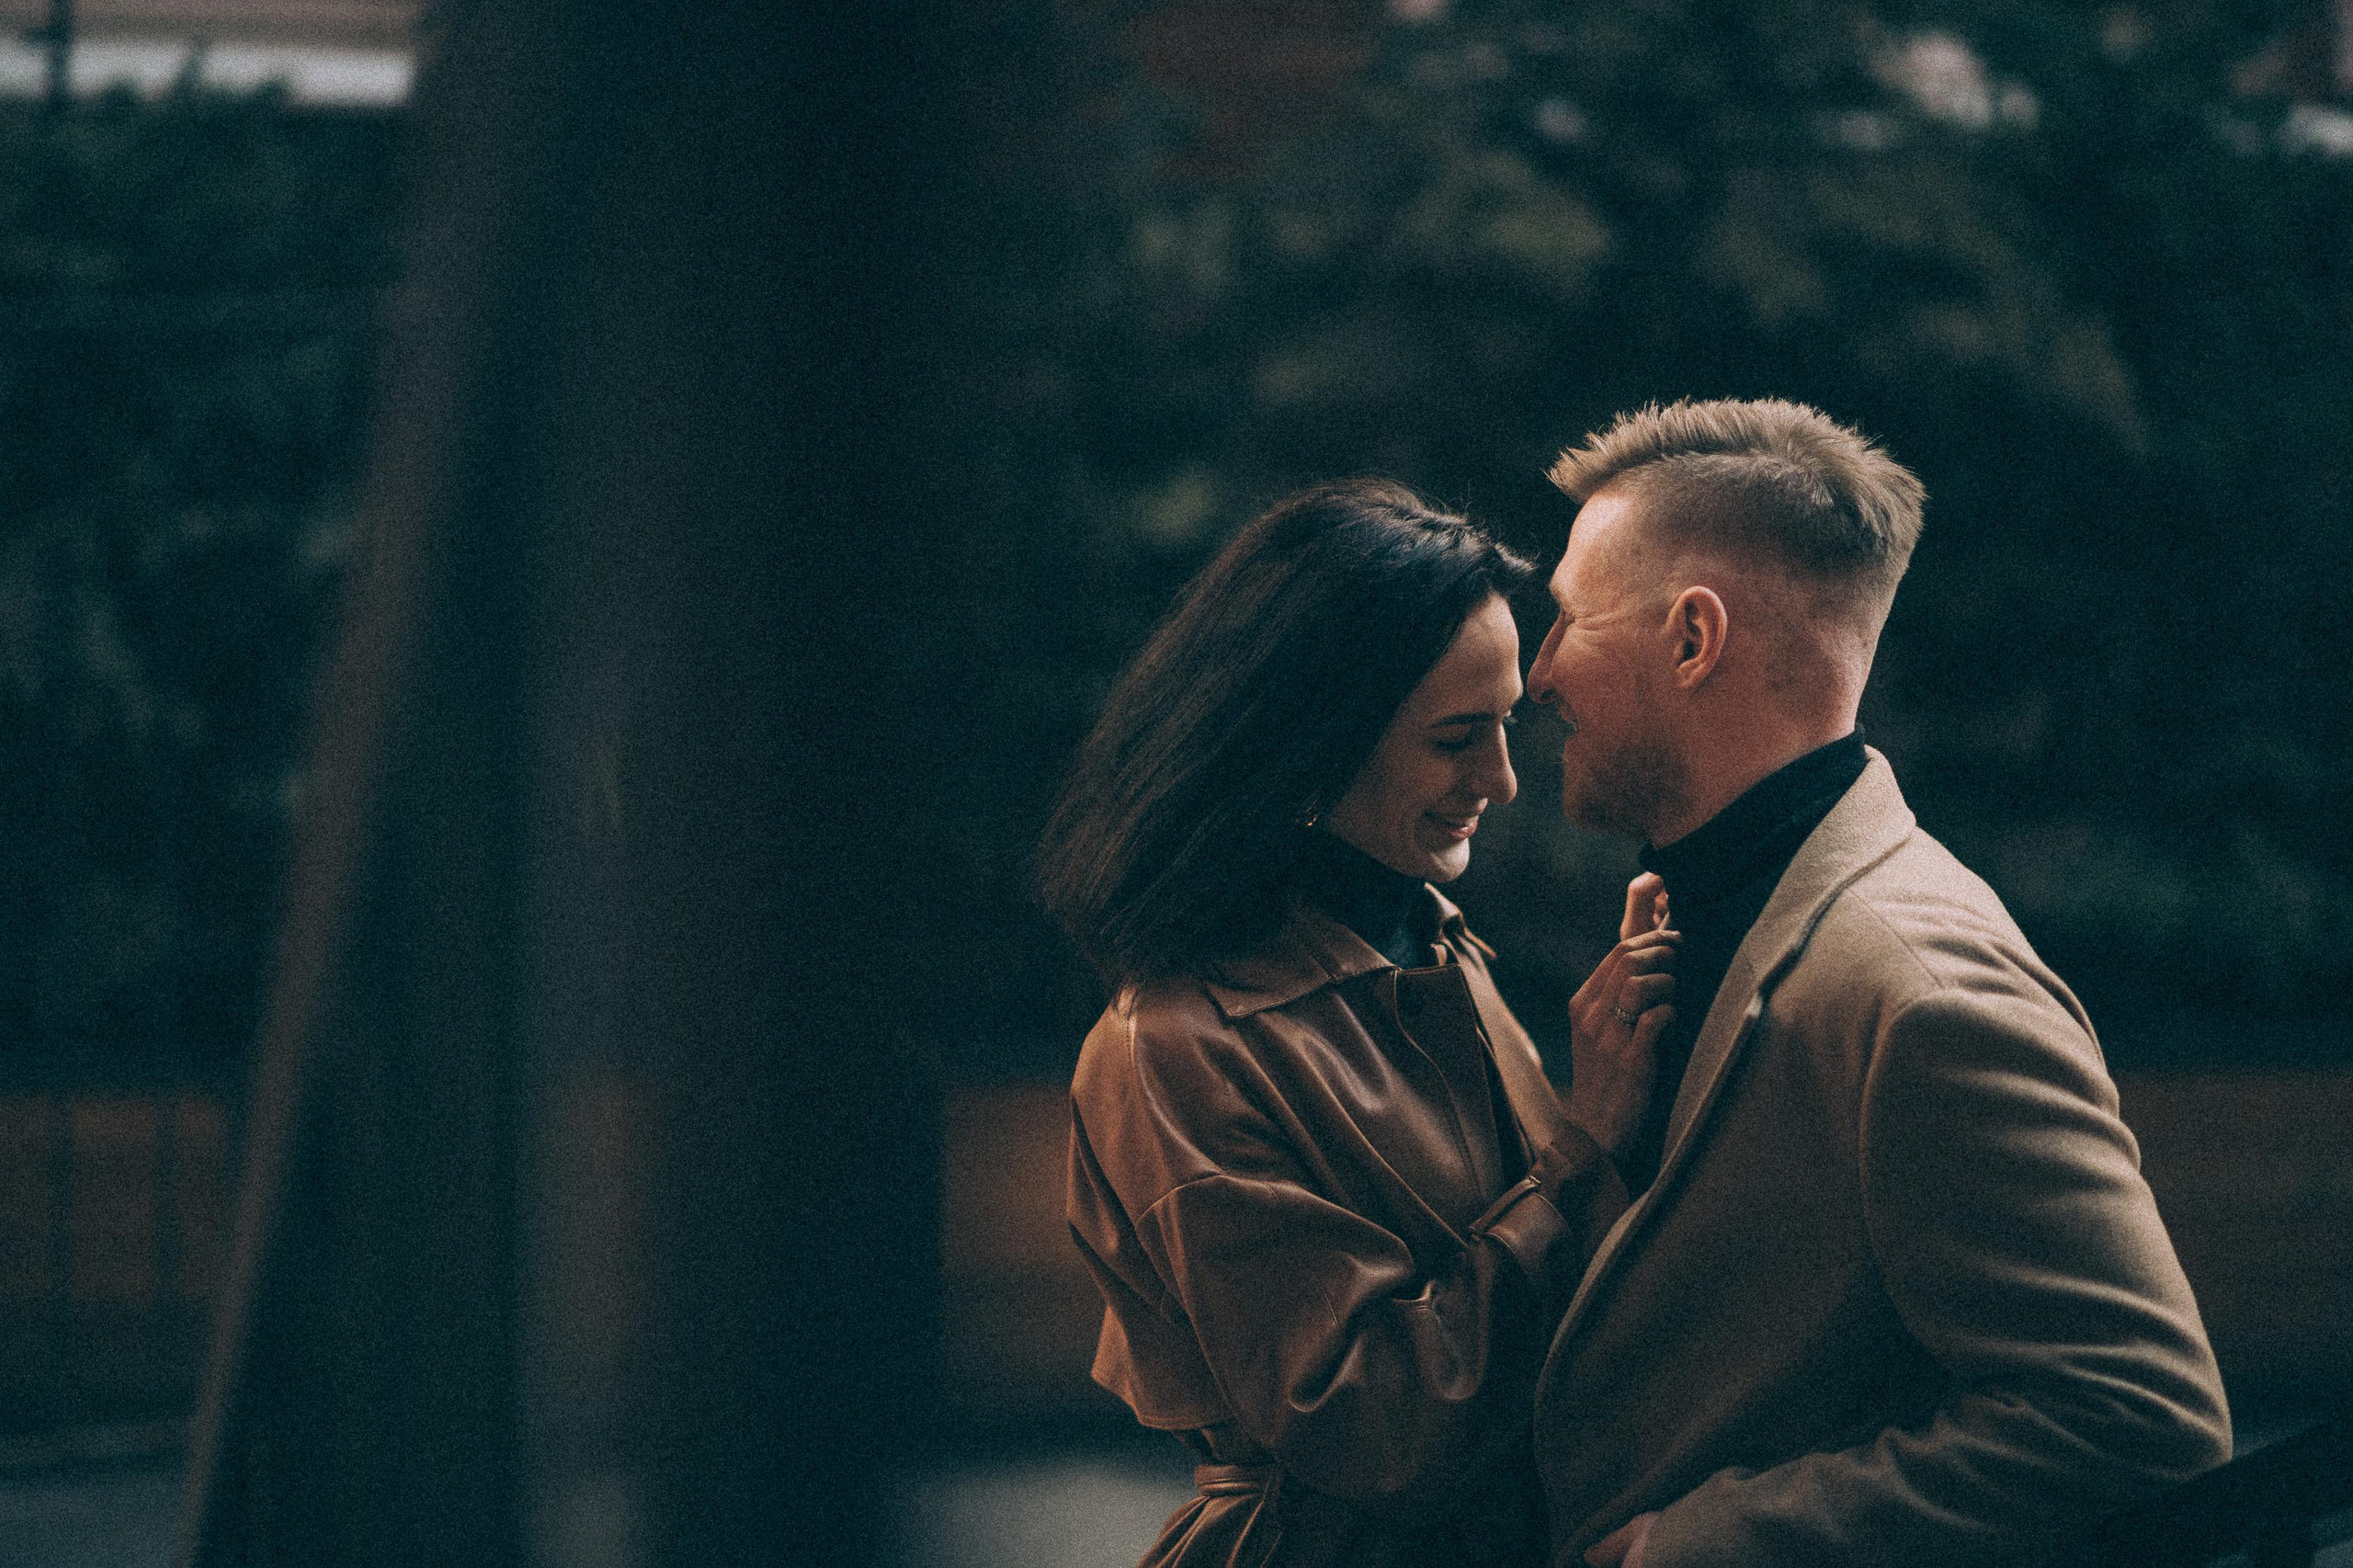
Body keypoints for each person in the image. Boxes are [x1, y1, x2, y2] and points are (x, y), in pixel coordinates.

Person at [1519, 399, 2232, 1568]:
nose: (1538, 674)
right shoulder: (1698, 910)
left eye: (1564, 619)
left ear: (1693, 639)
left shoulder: (1920, 986)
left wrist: (1709, 1544)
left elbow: (2139, 1416)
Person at [1040, 480, 1679, 1567]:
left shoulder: (1428, 939)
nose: (1503, 779)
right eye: (1454, 739)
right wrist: (1584, 1147)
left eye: (1508, 726)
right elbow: (1378, 1426)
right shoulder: (1177, 1046)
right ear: (1313, 742)